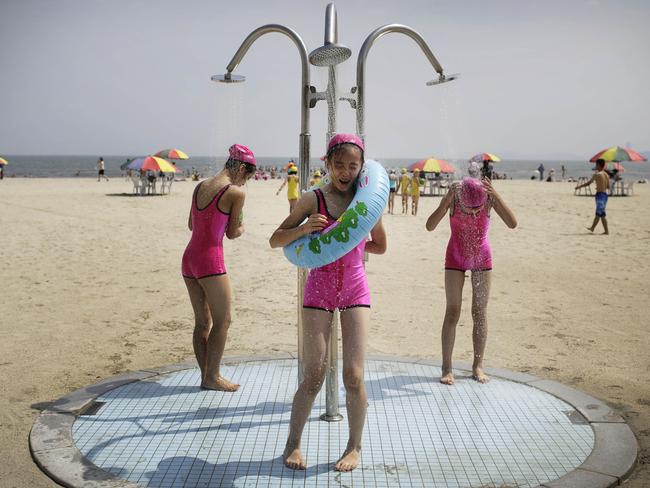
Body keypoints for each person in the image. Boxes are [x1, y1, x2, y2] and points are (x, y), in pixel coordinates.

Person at [269, 133, 387, 472]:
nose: (346, 171)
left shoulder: (366, 204)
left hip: (354, 291)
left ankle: (354, 446)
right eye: (339, 165)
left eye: (353, 165)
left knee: (354, 374)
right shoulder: (312, 200)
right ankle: (292, 445)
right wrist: (306, 229)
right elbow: (276, 240)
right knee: (314, 374)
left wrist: (351, 244)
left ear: (361, 167)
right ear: (328, 164)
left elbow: (379, 245)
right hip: (318, 291)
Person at [425, 163, 517, 385]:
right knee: (453, 310)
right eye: (470, 209)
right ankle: (447, 367)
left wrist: (496, 195)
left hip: (481, 258)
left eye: (478, 209)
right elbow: (430, 225)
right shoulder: (454, 197)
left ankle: (478, 365)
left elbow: (512, 223)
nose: (475, 212)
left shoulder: (488, 197)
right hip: (455, 256)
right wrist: (446, 201)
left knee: (479, 311)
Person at [181, 143, 256, 391]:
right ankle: (212, 376)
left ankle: (206, 376)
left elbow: (192, 225)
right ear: (242, 168)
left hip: (189, 259)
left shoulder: (200, 186)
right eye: (247, 177)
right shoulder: (235, 192)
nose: (245, 183)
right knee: (223, 320)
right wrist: (243, 226)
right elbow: (233, 233)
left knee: (202, 322)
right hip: (210, 261)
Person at [575, 158, 610, 235]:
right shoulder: (606, 174)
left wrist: (579, 187)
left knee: (599, 214)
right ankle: (602, 230)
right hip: (605, 195)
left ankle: (593, 228)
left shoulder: (597, 174)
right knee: (602, 214)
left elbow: (588, 183)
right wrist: (601, 186)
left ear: (599, 165)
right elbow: (608, 187)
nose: (595, 166)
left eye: (596, 164)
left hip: (600, 195)